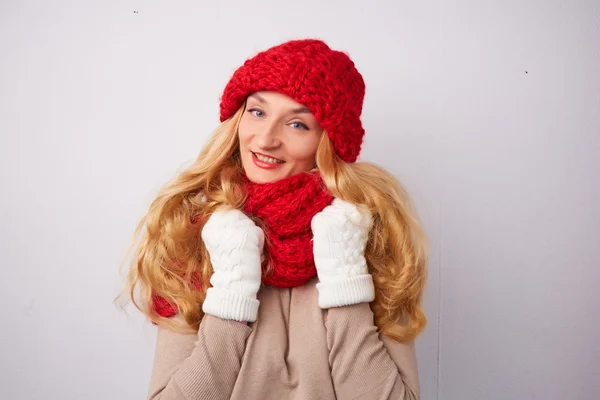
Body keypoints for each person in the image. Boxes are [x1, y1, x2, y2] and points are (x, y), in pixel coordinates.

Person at [120, 38, 428, 400]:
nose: (266, 140)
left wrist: (346, 279)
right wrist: (231, 295)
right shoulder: (190, 235)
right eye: (257, 112)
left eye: (297, 124)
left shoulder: (369, 237)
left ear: (327, 141)